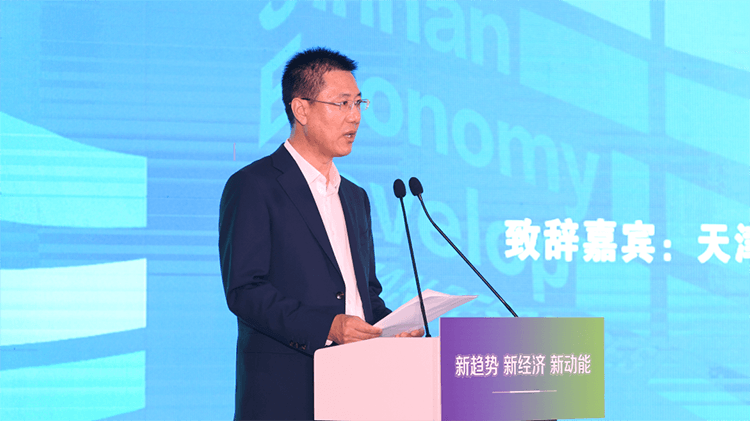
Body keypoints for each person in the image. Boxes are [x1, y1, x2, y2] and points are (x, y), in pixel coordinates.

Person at [218, 47, 422, 420]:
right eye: (342, 103)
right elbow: (245, 291)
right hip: (287, 393)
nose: (355, 116)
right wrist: (327, 327)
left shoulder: (355, 197)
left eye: (358, 103)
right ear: (301, 109)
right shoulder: (254, 186)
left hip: (360, 392)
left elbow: (363, 296)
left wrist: (393, 328)